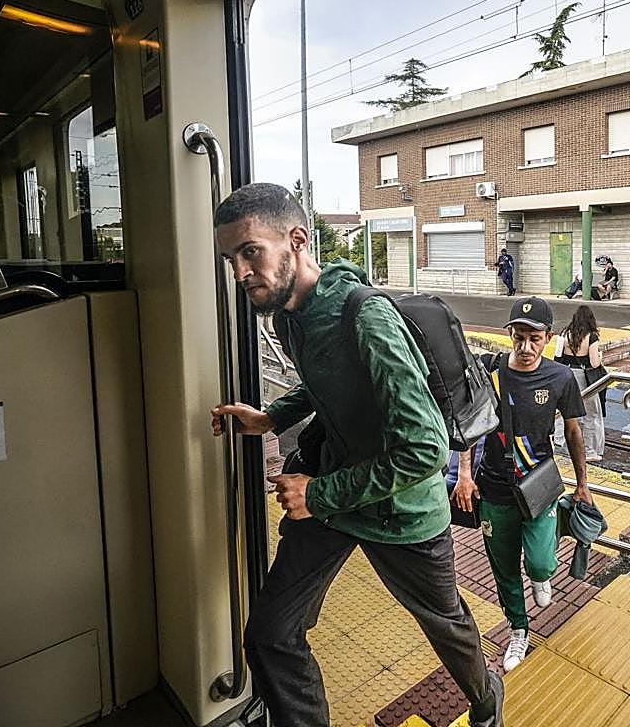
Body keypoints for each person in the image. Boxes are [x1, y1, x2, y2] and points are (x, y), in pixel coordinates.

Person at [210, 183, 503, 727]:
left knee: (445, 623)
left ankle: (486, 700)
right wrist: (273, 415)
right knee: (271, 634)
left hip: (403, 512)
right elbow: (331, 384)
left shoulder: (366, 318)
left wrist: (317, 492)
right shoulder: (287, 318)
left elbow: (424, 449)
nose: (240, 272)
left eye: (250, 251)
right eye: (231, 258)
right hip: (338, 499)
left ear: (296, 241)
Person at [453, 296, 593, 674]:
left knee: (541, 563)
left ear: (549, 337)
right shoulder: (490, 371)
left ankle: (542, 572)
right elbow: (468, 424)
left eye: (535, 338)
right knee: (504, 570)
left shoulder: (561, 378)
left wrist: (582, 484)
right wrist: (464, 474)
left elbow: (574, 430)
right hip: (494, 489)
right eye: (519, 337)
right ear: (509, 334)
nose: (526, 347)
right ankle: (519, 630)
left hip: (539, 486)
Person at [553, 306, 605, 462]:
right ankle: (590, 450)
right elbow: (595, 364)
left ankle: (558, 443)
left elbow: (557, 358)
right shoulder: (592, 337)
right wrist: (601, 356)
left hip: (567, 374)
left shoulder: (564, 334)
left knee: (563, 411)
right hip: (585, 377)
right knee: (592, 414)